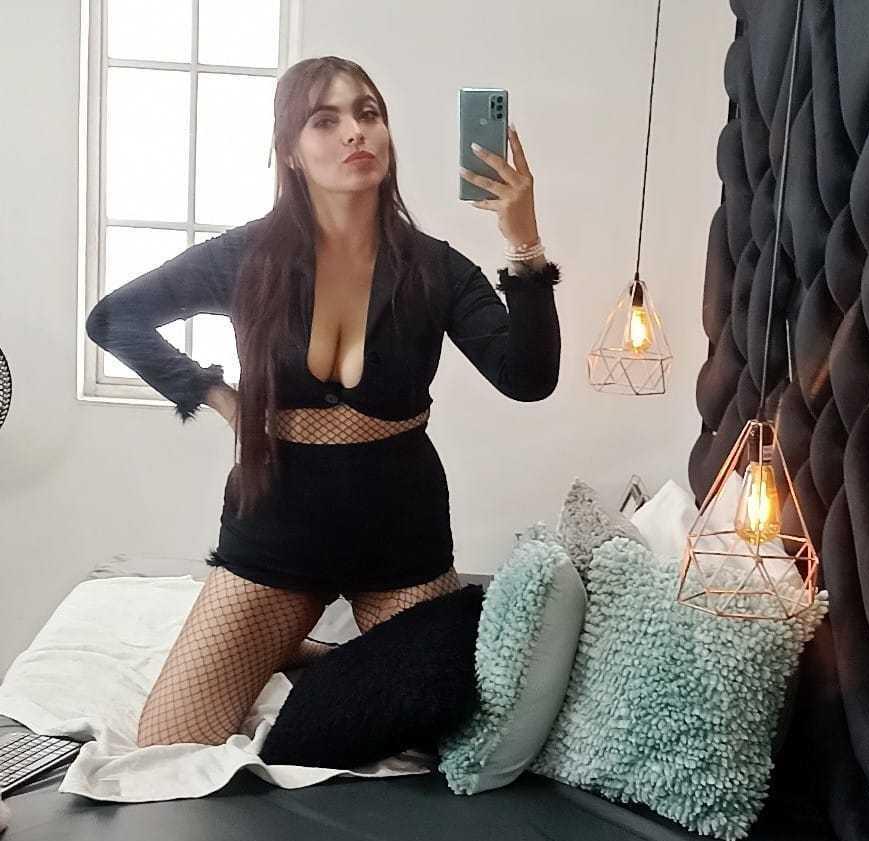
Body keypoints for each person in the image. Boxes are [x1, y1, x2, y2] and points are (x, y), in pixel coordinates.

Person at [85, 56, 561, 748]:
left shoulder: (435, 267)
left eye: (368, 114)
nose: (354, 133)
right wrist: (221, 398)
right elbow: (113, 318)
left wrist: (524, 240)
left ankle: (303, 651)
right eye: (325, 120)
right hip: (276, 524)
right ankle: (288, 642)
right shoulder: (244, 256)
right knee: (169, 738)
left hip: (400, 533)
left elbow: (528, 377)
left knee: (437, 733)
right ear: (290, 150)